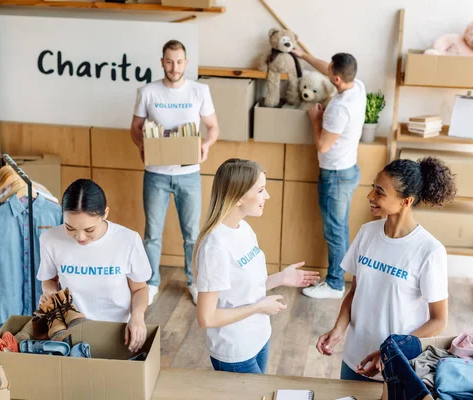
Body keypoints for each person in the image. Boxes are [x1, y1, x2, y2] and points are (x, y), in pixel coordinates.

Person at [315, 157, 457, 382]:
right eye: (373, 188)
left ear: (406, 201)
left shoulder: (430, 251)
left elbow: (438, 321)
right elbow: (355, 292)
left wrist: (392, 350)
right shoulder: (367, 233)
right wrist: (338, 330)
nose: (370, 196)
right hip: (355, 358)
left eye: (380, 192)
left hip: (396, 366)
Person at [195, 158, 321, 374]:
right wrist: (259, 307)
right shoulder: (214, 247)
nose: (267, 196)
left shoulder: (243, 228)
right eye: (261, 190)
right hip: (235, 351)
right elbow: (207, 318)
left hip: (259, 337)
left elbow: (243, 289)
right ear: (238, 197)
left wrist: (281, 278)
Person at [130, 39, 220, 306]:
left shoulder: (199, 91)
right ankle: (152, 282)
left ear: (186, 62)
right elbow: (135, 128)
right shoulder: (147, 91)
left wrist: (206, 144)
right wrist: (141, 146)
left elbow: (213, 127)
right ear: (162, 62)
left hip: (189, 173)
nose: (174, 66)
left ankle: (193, 281)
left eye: (179, 61)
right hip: (156, 173)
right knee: (152, 234)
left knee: (192, 234)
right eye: (169, 61)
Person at [37, 179, 152, 353]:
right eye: (70, 228)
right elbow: (50, 280)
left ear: (105, 213)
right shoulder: (50, 239)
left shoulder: (128, 240)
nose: (80, 237)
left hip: (118, 332)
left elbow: (139, 289)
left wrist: (137, 316)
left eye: (89, 230)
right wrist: (50, 294)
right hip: (72, 332)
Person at [291, 50, 366, 300]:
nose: (327, 69)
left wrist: (316, 119)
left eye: (330, 70)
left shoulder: (339, 109)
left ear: (336, 79)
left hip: (335, 175)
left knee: (335, 231)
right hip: (349, 170)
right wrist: (302, 55)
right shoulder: (358, 87)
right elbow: (327, 67)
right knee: (340, 228)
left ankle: (335, 284)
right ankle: (338, 279)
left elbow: (323, 145)